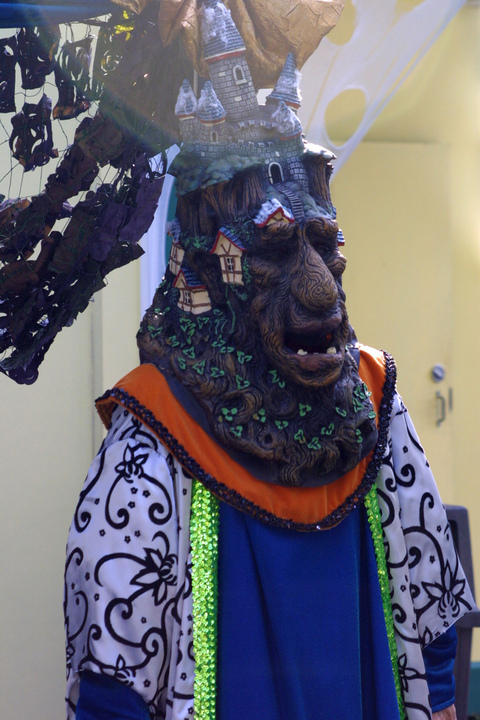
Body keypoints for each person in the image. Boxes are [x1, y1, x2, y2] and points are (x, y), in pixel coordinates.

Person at [64, 2, 475, 719]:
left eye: (324, 244)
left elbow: (428, 582)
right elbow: (114, 657)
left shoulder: (374, 395)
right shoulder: (156, 432)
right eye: (277, 247)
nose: (320, 289)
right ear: (200, 267)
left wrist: (439, 702)